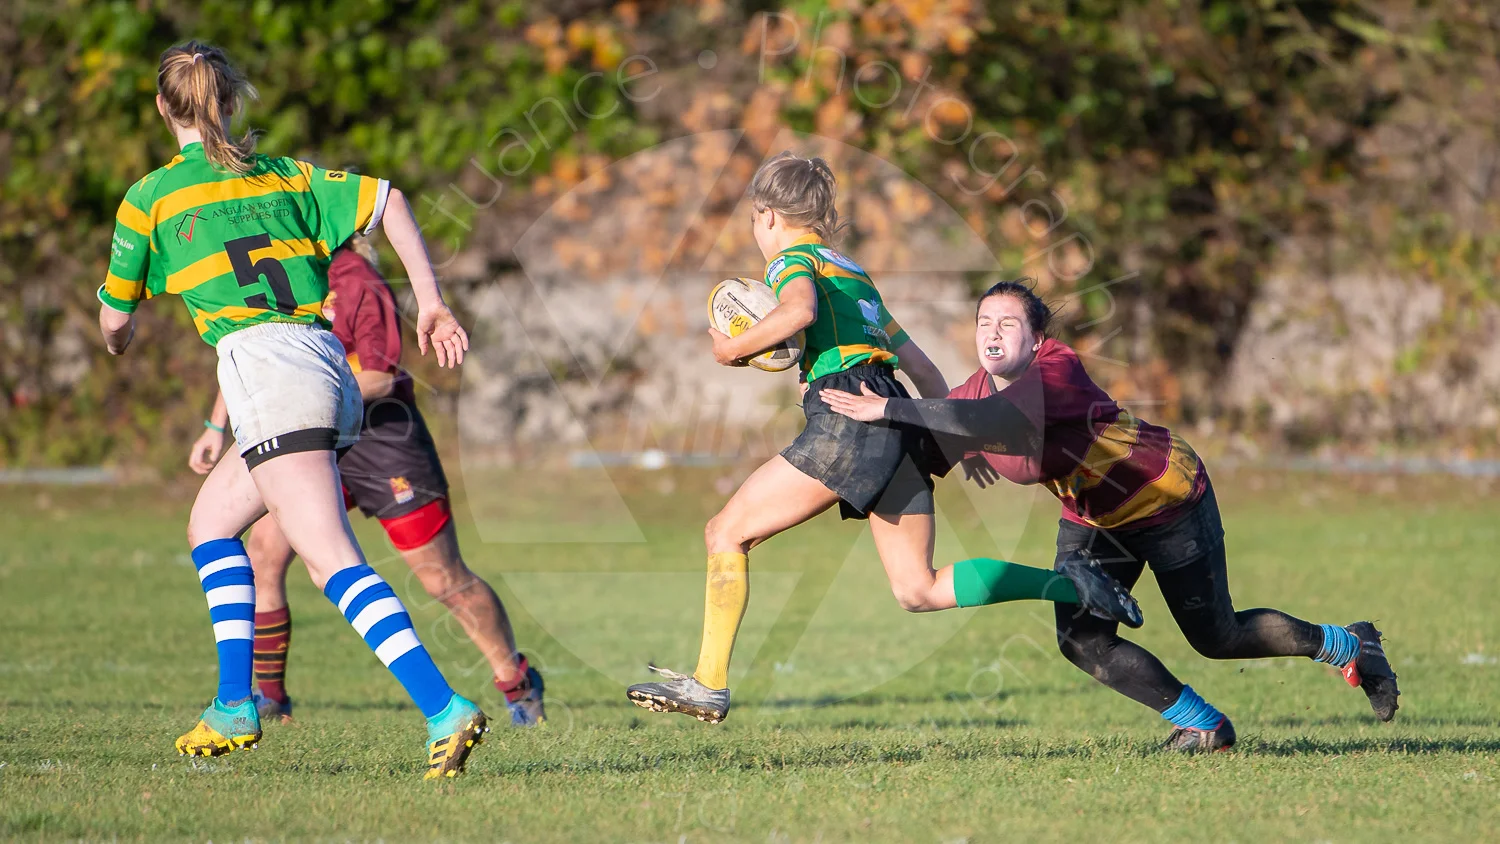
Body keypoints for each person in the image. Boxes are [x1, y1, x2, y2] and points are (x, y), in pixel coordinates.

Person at [625, 154, 1143, 724]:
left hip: (848, 413)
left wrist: (731, 349)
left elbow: (797, 311)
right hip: (894, 413)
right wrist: (952, 436)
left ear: (767, 215)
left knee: (724, 532)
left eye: (754, 220)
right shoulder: (852, 273)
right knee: (916, 588)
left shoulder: (791, 261)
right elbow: (919, 365)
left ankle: (709, 683)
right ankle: (1071, 584)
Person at [98, 41, 486, 778]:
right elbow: (390, 199)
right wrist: (431, 302)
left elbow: (117, 321)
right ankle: (234, 704)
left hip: (267, 369)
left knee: (332, 558)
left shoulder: (151, 197)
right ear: (234, 103)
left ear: (161, 108)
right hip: (317, 362)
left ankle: (445, 709)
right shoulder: (287, 174)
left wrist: (119, 335)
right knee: (211, 524)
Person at [820, 279, 1400, 751]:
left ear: (1036, 336)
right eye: (983, 323)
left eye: (1008, 324)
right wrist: (840, 470)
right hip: (1095, 518)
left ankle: (1349, 645)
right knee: (1082, 638)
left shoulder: (1056, 368)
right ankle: (1204, 726)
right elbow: (941, 438)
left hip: (1165, 498)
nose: (992, 334)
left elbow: (992, 423)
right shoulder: (972, 394)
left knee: (1217, 636)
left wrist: (894, 407)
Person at [187, 237, 544, 727]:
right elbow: (257, 353)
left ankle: (517, 681)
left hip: (382, 441)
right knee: (264, 553)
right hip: (309, 440)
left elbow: (378, 375)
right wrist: (215, 424)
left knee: (441, 578)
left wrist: (311, 394)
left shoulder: (356, 278)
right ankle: (270, 699)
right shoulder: (280, 273)